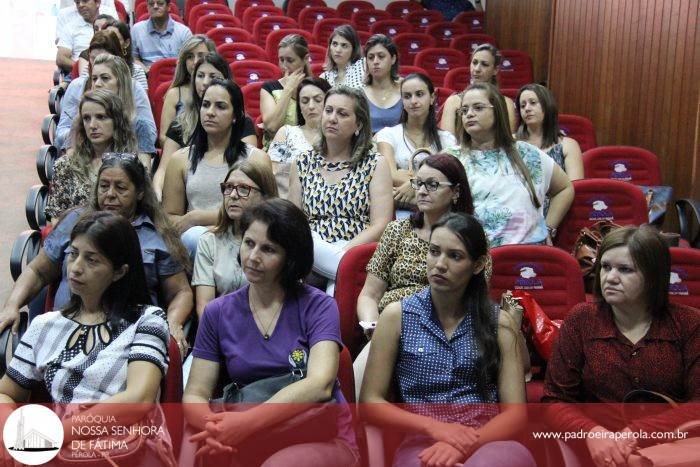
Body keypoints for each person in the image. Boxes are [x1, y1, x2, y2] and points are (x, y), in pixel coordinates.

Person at [183, 199, 359, 466]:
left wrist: (245, 423)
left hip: (318, 435)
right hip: (244, 435)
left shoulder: (319, 305)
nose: (253, 257)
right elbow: (195, 393)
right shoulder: (217, 312)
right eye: (249, 243)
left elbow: (320, 384)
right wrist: (216, 428)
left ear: (290, 258)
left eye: (268, 249)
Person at [0, 211, 177, 466]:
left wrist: (56, 433)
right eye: (73, 254)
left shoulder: (147, 320)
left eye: (91, 260)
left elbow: (138, 400)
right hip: (64, 452)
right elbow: (6, 393)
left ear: (119, 272)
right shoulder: (45, 325)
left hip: (130, 452)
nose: (75, 267)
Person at [360, 212, 535, 467]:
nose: (440, 264)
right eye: (434, 251)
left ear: (477, 265)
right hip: (422, 441)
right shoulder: (397, 316)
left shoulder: (499, 323)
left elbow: (516, 414)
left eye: (455, 256)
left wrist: (465, 443)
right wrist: (435, 429)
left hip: (488, 439)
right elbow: (371, 402)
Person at [542, 225, 700, 467]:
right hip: (598, 450)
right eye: (605, 267)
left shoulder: (689, 323)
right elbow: (555, 401)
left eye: (625, 269)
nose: (610, 277)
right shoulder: (582, 319)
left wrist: (637, 433)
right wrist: (591, 432)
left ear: (653, 276)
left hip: (668, 450)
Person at [2, 154, 193, 353]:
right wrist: (12, 305)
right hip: (65, 332)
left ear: (140, 193)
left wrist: (172, 323)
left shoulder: (157, 234)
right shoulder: (75, 221)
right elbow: (38, 272)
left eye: (120, 188)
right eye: (104, 186)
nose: (110, 194)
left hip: (128, 341)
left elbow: (180, 292)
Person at [288, 86, 393, 294]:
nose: (332, 118)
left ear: (358, 124)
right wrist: (333, 257)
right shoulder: (302, 161)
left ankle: (342, 269)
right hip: (312, 248)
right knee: (309, 240)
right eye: (328, 111)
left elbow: (381, 224)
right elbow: (293, 219)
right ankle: (344, 270)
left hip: (356, 248)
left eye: (342, 114)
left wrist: (342, 253)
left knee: (336, 286)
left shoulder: (375, 163)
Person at [446, 82, 574, 247]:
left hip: (528, 257)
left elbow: (564, 188)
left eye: (478, 108)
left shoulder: (528, 153)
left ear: (497, 111)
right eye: (464, 111)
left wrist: (549, 227)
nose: (469, 114)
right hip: (473, 256)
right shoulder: (451, 158)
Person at [162, 78, 271, 256]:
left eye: (220, 106)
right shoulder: (180, 159)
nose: (210, 112)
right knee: (195, 237)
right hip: (195, 243)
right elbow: (171, 219)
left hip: (243, 238)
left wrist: (198, 217)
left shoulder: (256, 159)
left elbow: (264, 213)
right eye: (206, 105)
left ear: (235, 115)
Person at [155, 53, 258, 196]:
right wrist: (158, 193)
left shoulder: (243, 122)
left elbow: (249, 167)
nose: (205, 82)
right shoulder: (180, 123)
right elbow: (163, 169)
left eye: (213, 77)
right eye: (200, 75)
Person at [192, 160, 278, 318]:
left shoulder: (279, 242)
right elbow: (204, 307)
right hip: (222, 328)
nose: (232, 195)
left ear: (265, 197)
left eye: (244, 189)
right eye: (228, 187)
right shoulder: (209, 241)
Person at [46, 89, 145, 221]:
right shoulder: (66, 165)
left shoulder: (132, 165)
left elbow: (142, 215)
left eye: (101, 117)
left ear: (117, 121)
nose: (92, 125)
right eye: (86, 118)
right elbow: (56, 218)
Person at [376, 73, 457, 214]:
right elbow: (389, 175)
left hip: (440, 214)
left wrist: (412, 185)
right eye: (407, 96)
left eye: (419, 94)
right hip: (399, 212)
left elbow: (448, 179)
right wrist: (429, 182)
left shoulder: (447, 139)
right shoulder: (388, 134)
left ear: (432, 98)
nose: (413, 101)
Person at [56, 53, 156, 155]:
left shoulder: (138, 125)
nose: (97, 84)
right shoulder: (79, 121)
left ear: (121, 82)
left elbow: (143, 169)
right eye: (94, 79)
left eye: (105, 78)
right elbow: (70, 165)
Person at [268, 77, 331, 197]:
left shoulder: (337, 137)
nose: (311, 106)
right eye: (305, 101)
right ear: (299, 107)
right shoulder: (286, 133)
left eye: (318, 100)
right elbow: (272, 176)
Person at [440, 44, 518, 135]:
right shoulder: (453, 102)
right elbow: (448, 143)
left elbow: (508, 140)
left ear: (495, 70)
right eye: (474, 62)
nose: (477, 69)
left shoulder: (506, 103)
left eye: (484, 64)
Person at [516, 84, 583, 180]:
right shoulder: (510, 142)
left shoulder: (568, 145)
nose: (527, 109)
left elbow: (575, 188)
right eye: (522, 106)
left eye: (533, 103)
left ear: (547, 106)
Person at [159, 35, 217, 145]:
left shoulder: (222, 92)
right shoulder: (174, 94)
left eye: (201, 56)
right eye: (190, 57)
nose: (195, 62)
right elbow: (163, 138)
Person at [260, 34, 312, 150]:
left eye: (290, 60)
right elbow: (272, 127)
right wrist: (287, 90)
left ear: (305, 59)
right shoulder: (269, 88)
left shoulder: (316, 88)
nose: (284, 66)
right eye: (281, 59)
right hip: (278, 152)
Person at [80, 16, 149, 91]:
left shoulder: (136, 71)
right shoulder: (86, 71)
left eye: (115, 38)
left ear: (126, 43)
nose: (110, 41)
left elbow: (140, 101)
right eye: (106, 36)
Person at [55, 0, 114, 77]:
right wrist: (82, 68)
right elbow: (61, 59)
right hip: (80, 75)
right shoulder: (70, 28)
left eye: (85, 1)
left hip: (110, 72)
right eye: (77, 3)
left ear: (97, 3)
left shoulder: (111, 25)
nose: (80, 5)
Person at [131, 0, 193, 71]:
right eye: (151, 4)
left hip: (176, 77)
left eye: (160, 3)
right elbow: (134, 59)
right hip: (147, 77)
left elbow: (190, 61)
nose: (155, 6)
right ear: (147, 7)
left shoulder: (184, 32)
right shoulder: (137, 30)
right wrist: (148, 73)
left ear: (168, 7)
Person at [362, 34, 403, 134]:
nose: (375, 61)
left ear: (393, 59)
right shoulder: (359, 94)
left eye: (381, 56)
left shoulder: (405, 89)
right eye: (371, 57)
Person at [320, 25, 366, 90]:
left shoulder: (364, 66)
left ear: (354, 49)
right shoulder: (324, 77)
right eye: (335, 44)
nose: (338, 50)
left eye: (344, 45)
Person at [410, 0, 483, 20]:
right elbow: (413, 2)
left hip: (458, 34)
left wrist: (477, 1)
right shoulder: (431, 1)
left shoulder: (464, 3)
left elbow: (479, 18)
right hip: (439, 34)